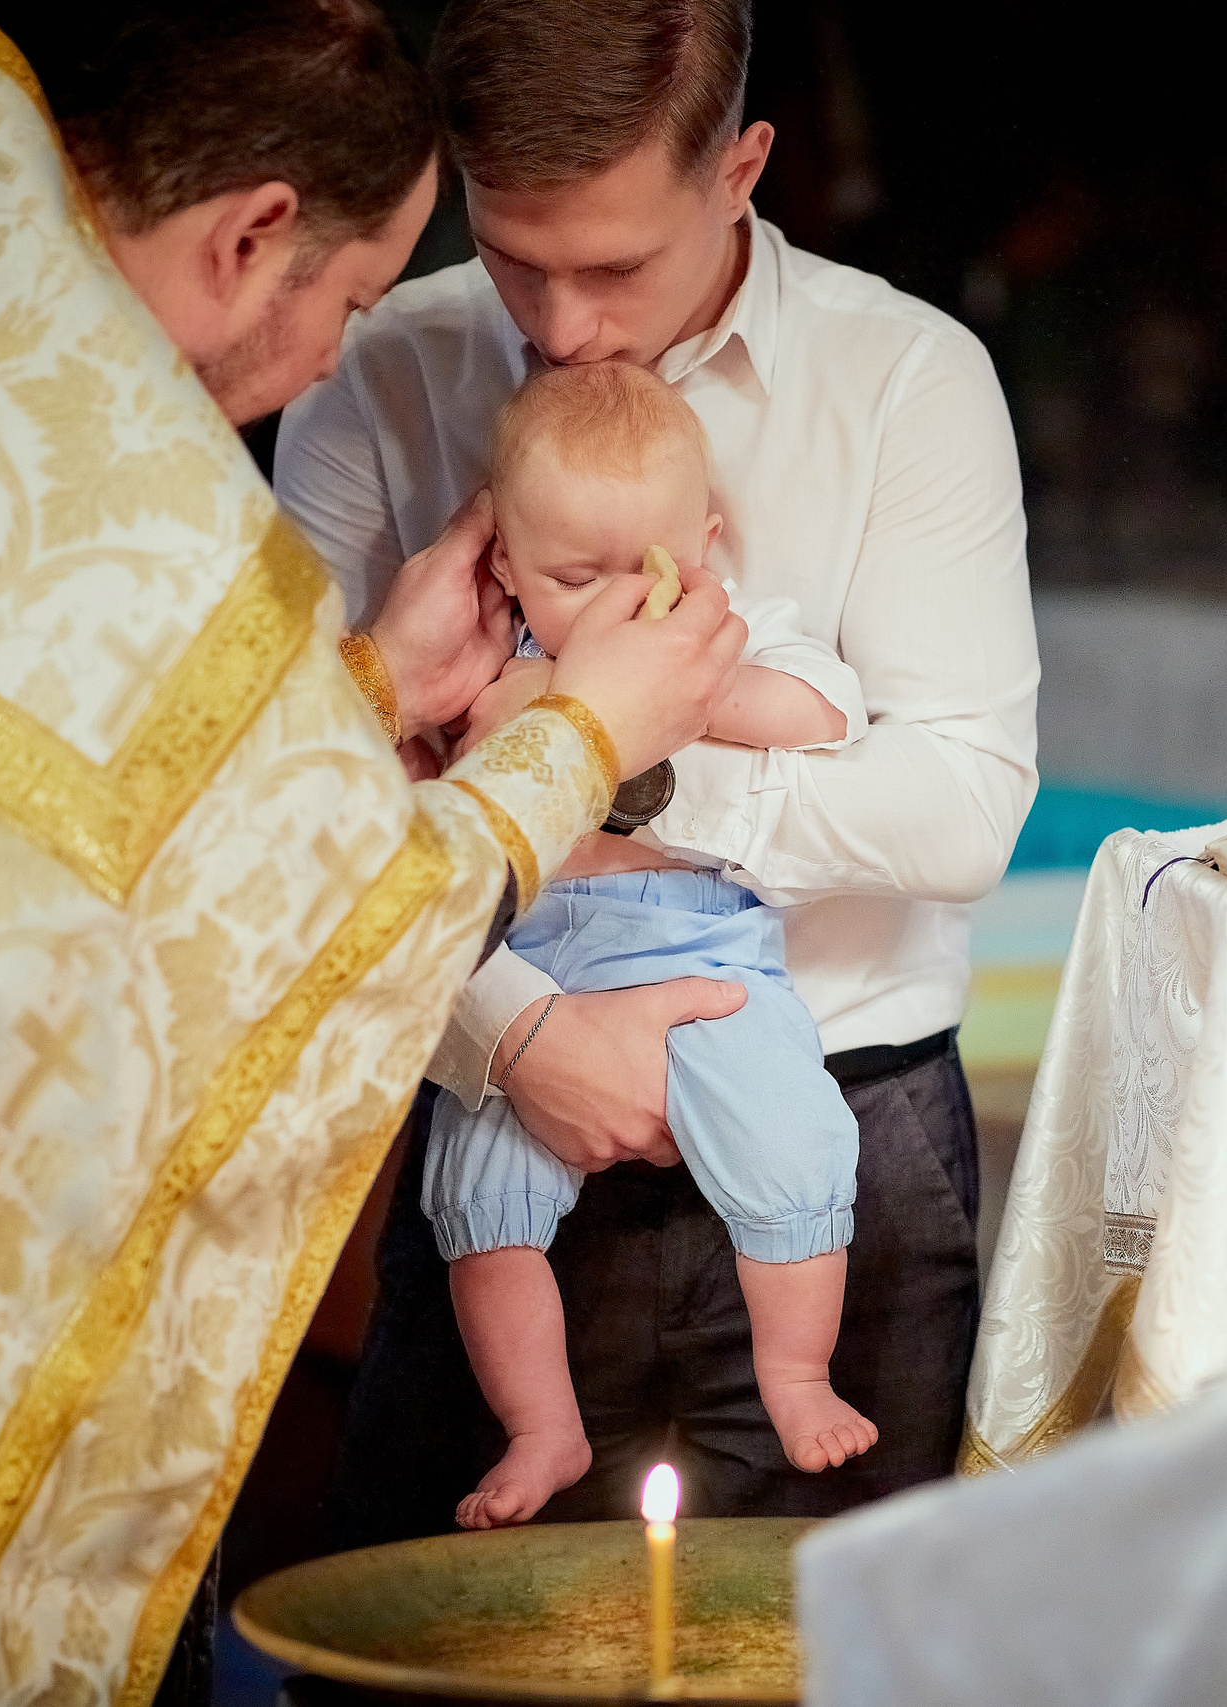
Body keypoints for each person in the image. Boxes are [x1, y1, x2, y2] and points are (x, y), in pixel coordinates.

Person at [0, 3, 741, 1704]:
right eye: (353, 310)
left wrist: (360, 693)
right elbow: (296, 952)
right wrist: (582, 733)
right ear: (251, 236)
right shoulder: (162, 537)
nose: (323, 371)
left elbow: (39, 804)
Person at [278, 0, 1039, 1536]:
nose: (559, 329)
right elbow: (293, 803)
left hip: (847, 1114)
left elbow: (961, 806)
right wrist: (511, 1028)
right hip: (485, 1090)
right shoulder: (381, 369)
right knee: (438, 1648)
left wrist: (617, 758)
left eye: (614, 264)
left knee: (843, 1649)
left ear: (743, 166)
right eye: (510, 254)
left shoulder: (907, 381)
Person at [431, 361, 876, 1529]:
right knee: (476, 1200)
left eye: (654, 570)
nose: (623, 603)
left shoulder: (729, 641)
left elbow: (825, 715)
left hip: (705, 958)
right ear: (506, 568)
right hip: (529, 963)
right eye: (574, 577)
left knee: (791, 1142)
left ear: (708, 543)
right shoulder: (486, 660)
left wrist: (667, 696)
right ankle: (544, 1429)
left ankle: (795, 1374)